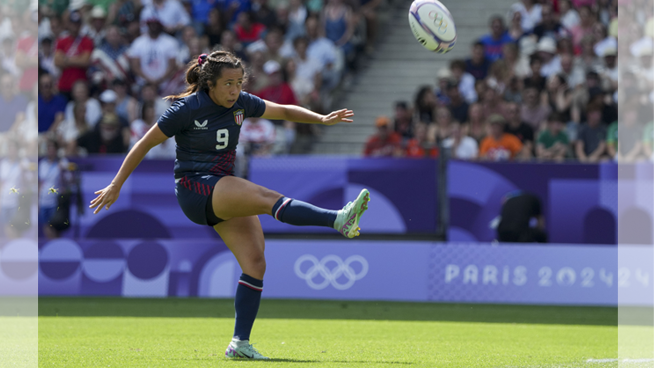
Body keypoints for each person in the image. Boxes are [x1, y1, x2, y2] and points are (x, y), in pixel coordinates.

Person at [89, 50, 370, 360]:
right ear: (209, 83)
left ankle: (240, 344)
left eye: (239, 83)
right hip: (195, 188)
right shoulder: (186, 108)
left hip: (220, 189)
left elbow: (284, 112)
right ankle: (338, 219)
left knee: (255, 263)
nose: (235, 90)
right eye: (228, 84)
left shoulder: (241, 103)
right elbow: (144, 144)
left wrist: (320, 117)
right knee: (266, 198)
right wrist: (116, 184)